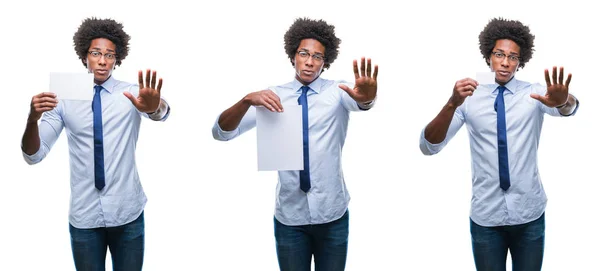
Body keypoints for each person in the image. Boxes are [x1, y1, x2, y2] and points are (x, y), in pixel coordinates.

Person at [212, 17, 378, 271]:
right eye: (304, 54)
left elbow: (362, 103)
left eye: (318, 57)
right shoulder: (271, 96)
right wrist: (245, 101)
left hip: (332, 214)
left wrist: (367, 98)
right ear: (293, 56)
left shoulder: (339, 92)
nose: (310, 62)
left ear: (325, 62)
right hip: (290, 217)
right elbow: (221, 132)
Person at [420, 17, 579, 271]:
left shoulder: (535, 94)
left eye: (513, 57)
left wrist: (562, 101)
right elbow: (429, 146)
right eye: (499, 54)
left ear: (521, 61)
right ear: (488, 55)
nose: (505, 63)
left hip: (529, 215)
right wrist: (451, 104)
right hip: (486, 218)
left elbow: (570, 108)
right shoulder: (469, 98)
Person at [21, 17, 170, 271]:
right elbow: (34, 155)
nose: (103, 61)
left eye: (110, 55)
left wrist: (156, 108)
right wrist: (32, 119)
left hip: (128, 214)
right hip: (85, 217)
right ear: (84, 56)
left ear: (117, 58)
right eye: (96, 53)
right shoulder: (65, 95)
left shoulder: (132, 93)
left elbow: (163, 113)